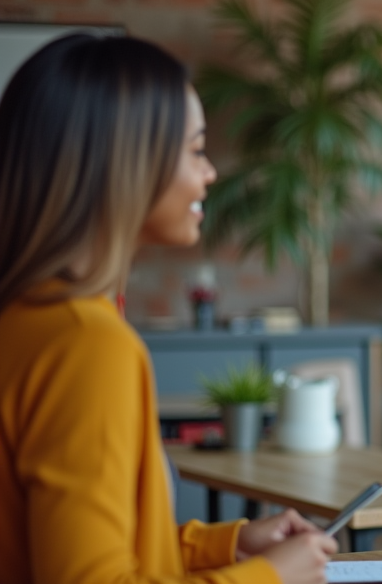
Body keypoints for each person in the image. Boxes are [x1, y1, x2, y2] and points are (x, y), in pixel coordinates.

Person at [0, 34, 338, 584]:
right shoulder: (85, 346)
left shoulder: (26, 320)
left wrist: (227, 544)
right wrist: (270, 577)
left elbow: (95, 548)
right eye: (196, 150)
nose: (210, 173)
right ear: (125, 161)